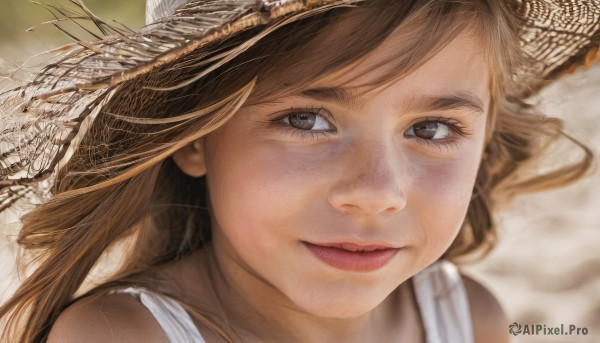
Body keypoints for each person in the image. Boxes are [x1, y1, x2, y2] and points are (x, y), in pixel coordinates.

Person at [0, 0, 598, 342]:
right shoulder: (124, 338)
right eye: (307, 120)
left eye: (432, 129)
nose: (375, 193)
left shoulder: (468, 320)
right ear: (195, 135)